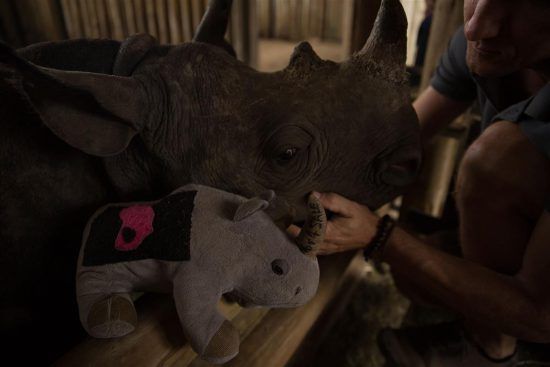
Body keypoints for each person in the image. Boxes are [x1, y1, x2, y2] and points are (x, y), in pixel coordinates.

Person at [292, 1, 550, 366]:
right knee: (413, 275)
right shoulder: (482, 44)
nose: (478, 26)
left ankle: (489, 349)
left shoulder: (492, 36)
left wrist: (379, 237)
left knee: (492, 164)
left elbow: (542, 317)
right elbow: (399, 141)